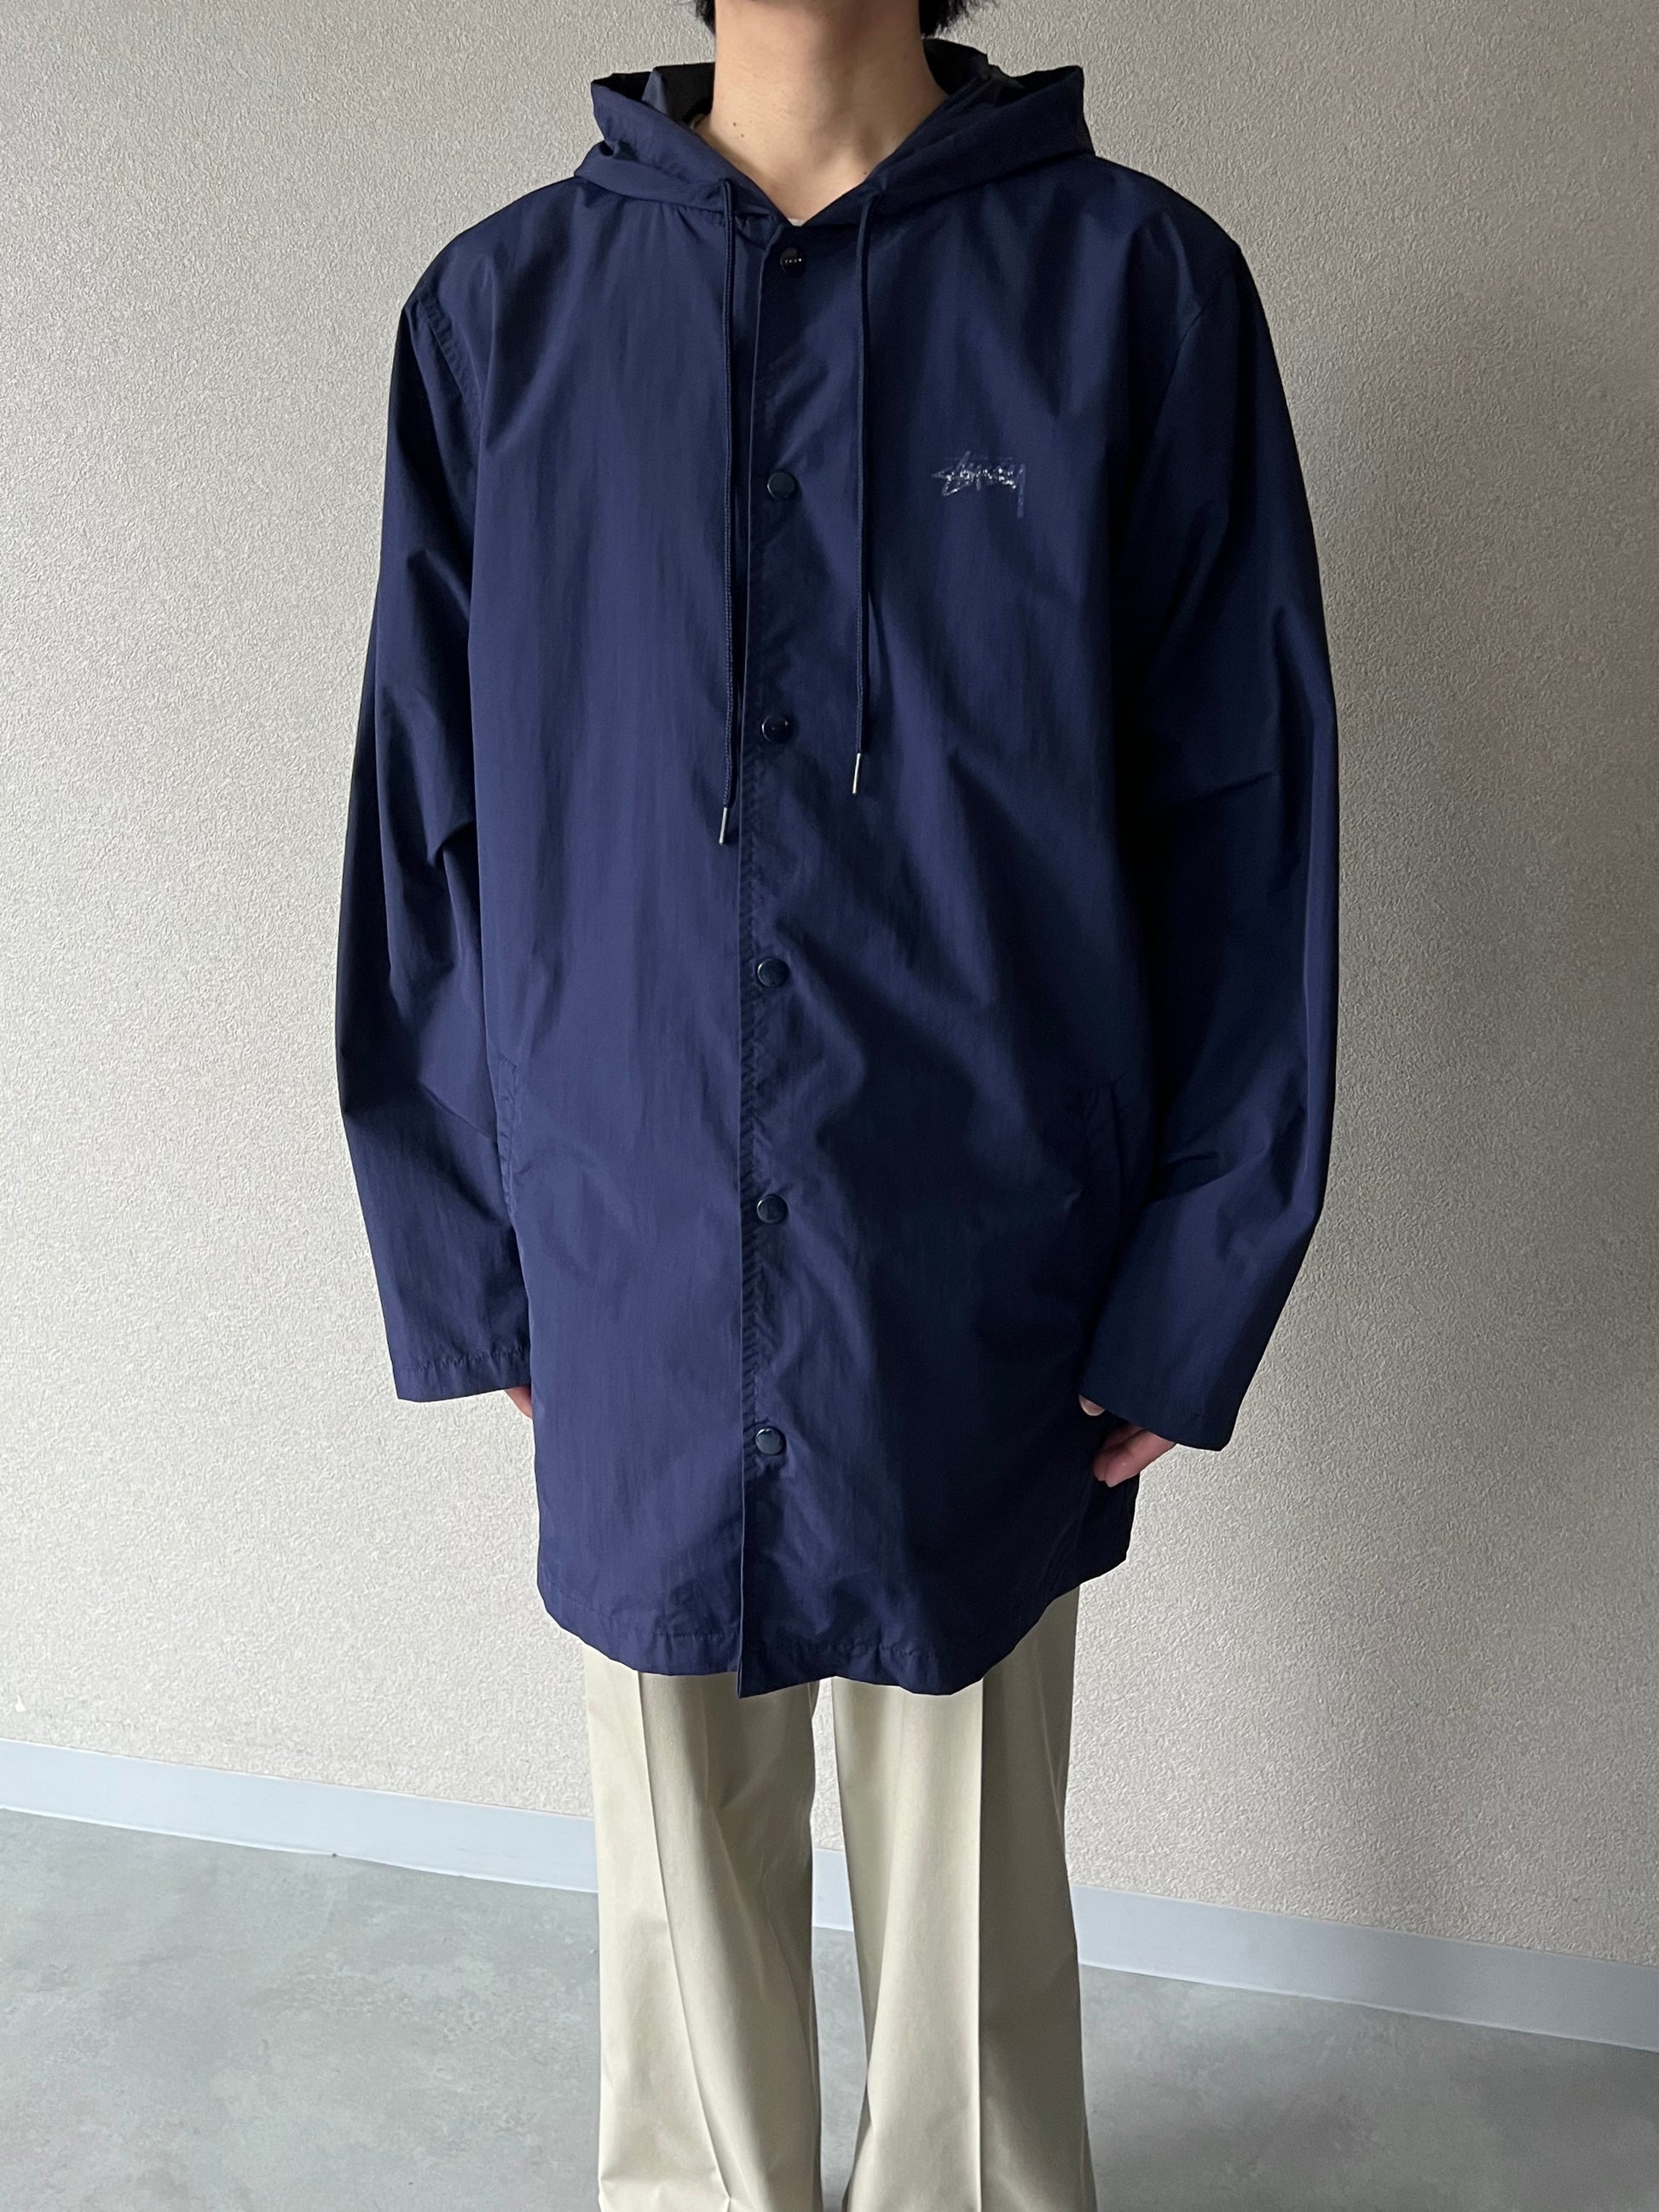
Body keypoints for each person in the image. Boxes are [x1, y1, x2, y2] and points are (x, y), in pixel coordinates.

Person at [333, 0, 1339, 2201]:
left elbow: (1248, 821)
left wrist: (1200, 1267)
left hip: (991, 1244)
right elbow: (422, 822)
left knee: (968, 1895)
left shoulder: (1132, 291)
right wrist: (471, 1255)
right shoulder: (503, 316)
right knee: (673, 1888)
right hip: (627, 1231)